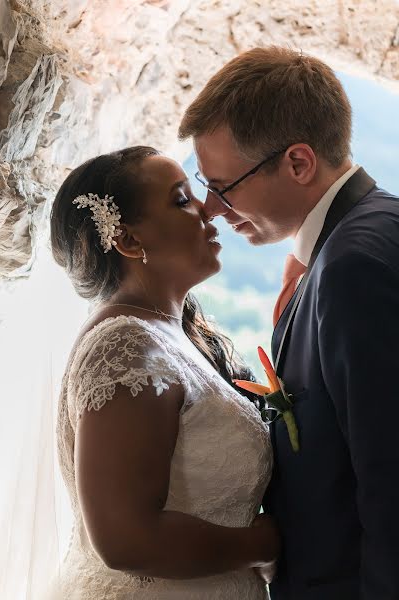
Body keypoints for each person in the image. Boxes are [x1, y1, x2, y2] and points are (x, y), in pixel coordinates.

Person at [178, 46, 399, 599]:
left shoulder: (354, 267)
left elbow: (390, 480)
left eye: (223, 186)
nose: (211, 209)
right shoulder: (357, 238)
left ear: (298, 163)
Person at [46, 145, 279, 600]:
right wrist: (262, 544)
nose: (209, 210)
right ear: (129, 241)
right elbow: (125, 539)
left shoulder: (170, 333)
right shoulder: (125, 345)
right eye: (180, 200)